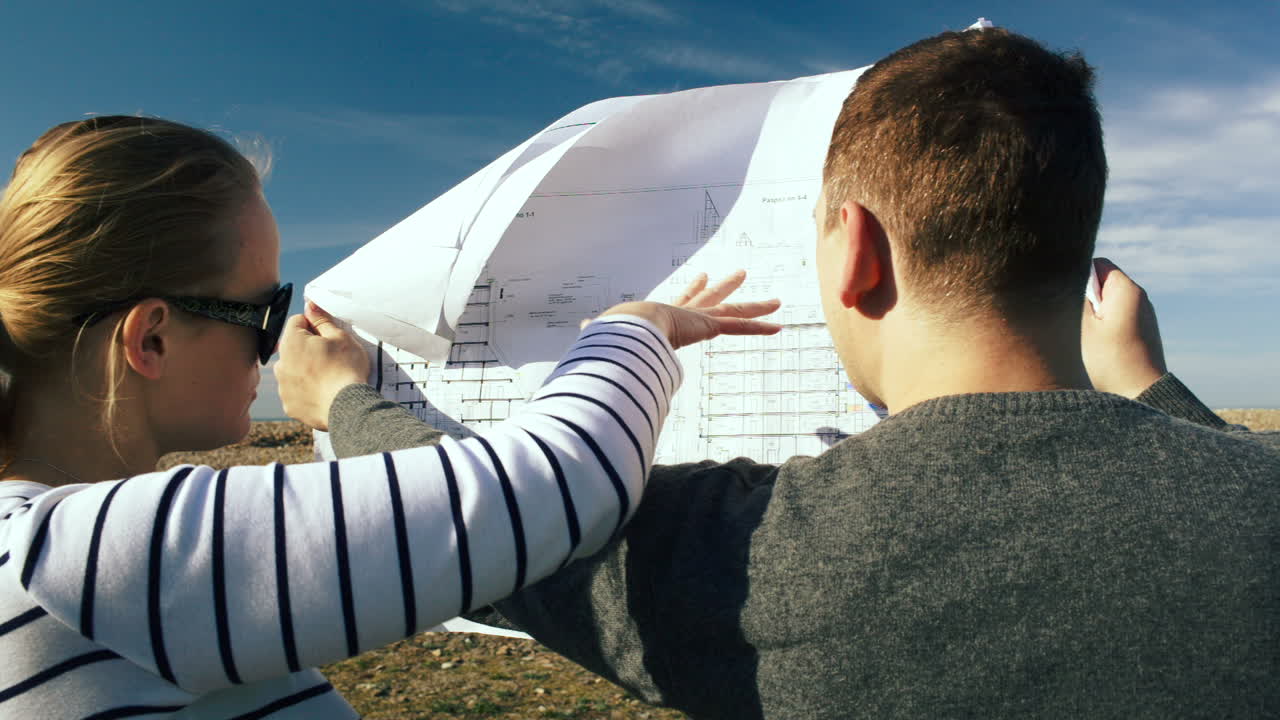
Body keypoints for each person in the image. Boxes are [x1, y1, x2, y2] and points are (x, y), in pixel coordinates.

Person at [293, 28, 1280, 719]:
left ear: (854, 253)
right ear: (1077, 255)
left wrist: (344, 400)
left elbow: (485, 526)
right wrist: (1153, 388)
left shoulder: (754, 558)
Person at [0, 116, 781, 718]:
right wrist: (638, 328)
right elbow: (555, 485)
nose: (273, 351)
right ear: (152, 338)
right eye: (264, 311)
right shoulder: (84, 559)